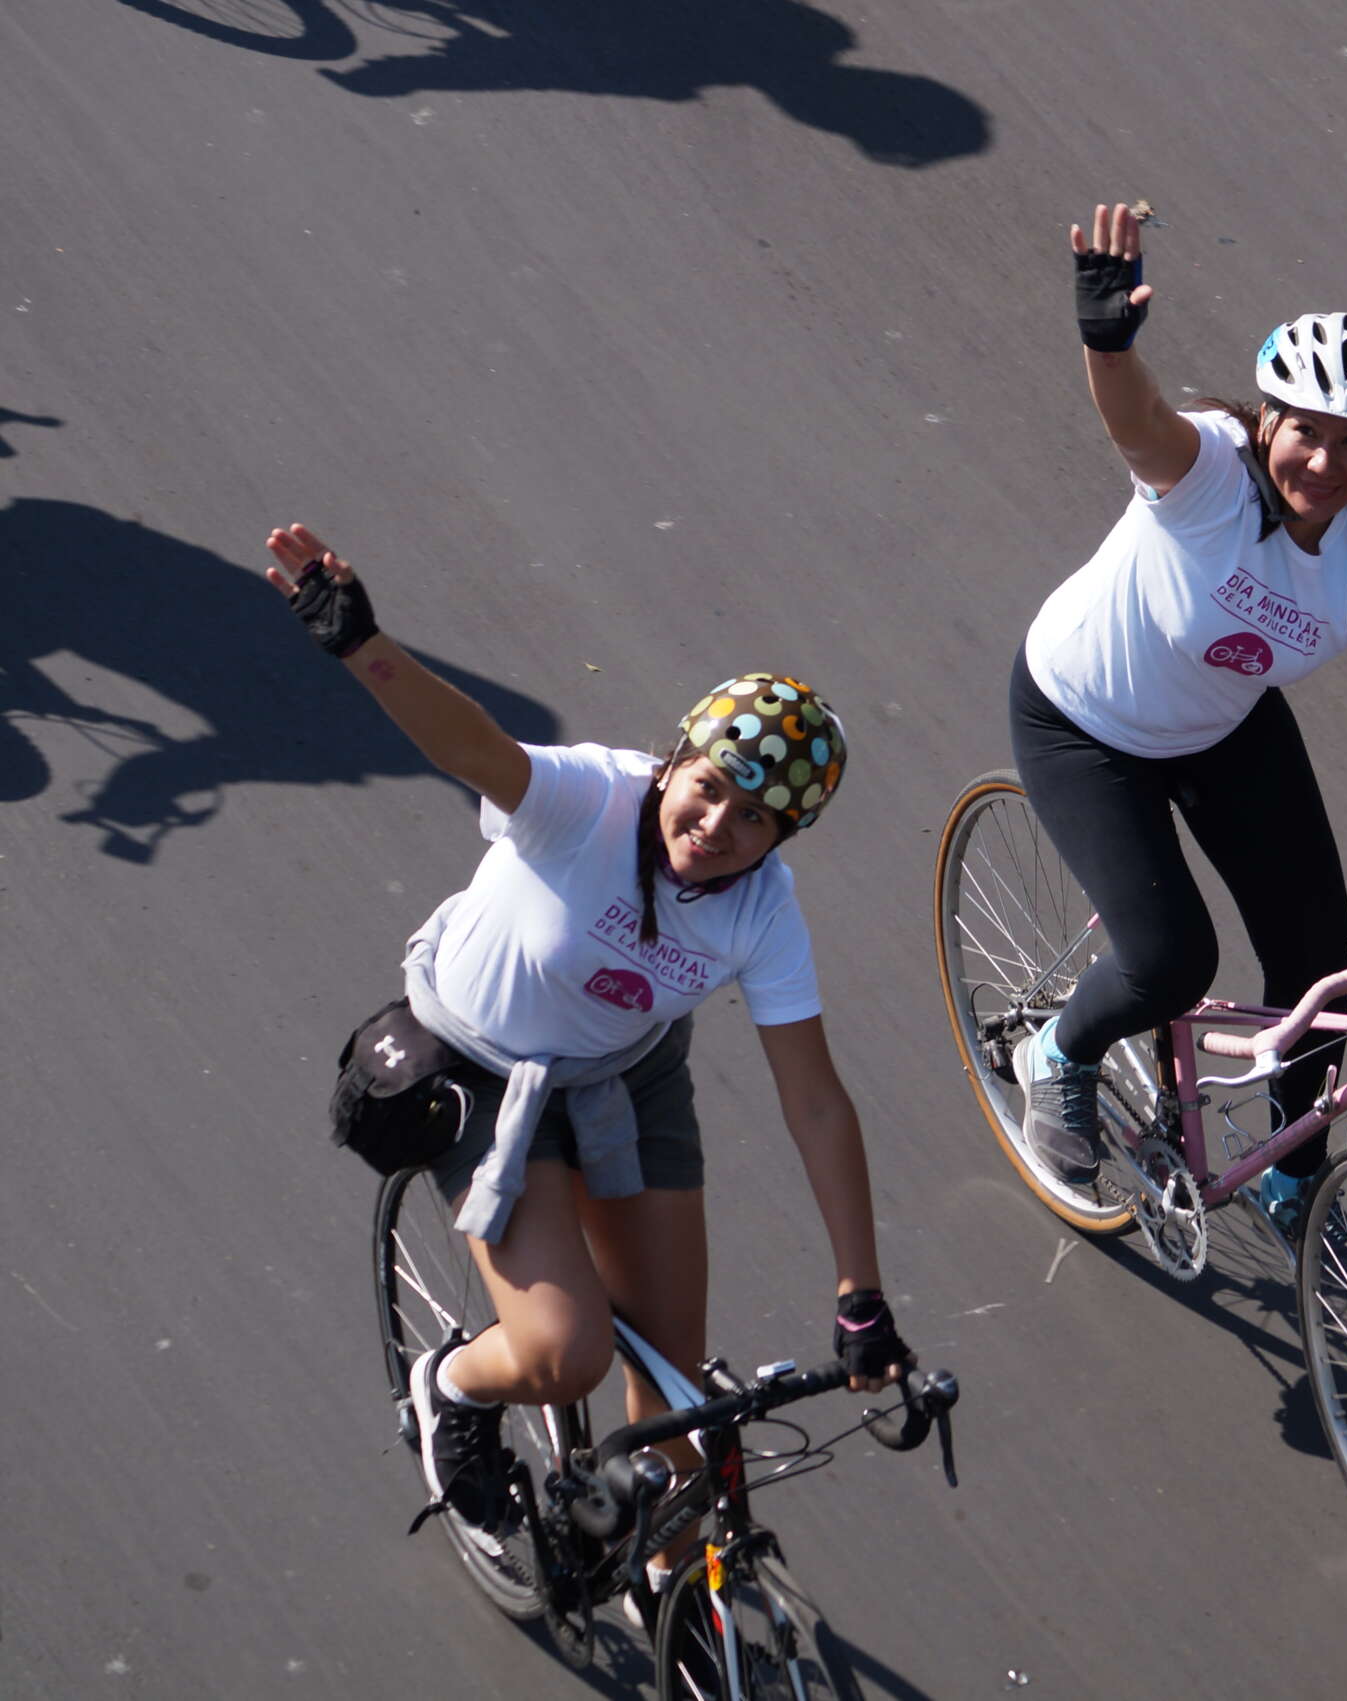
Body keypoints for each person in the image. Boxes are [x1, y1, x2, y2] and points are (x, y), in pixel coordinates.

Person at [265, 524, 915, 1581]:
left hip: (623, 1073)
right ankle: (455, 1392)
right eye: (709, 786)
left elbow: (817, 1106)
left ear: (781, 842)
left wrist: (862, 1293)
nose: (716, 825)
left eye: (755, 819)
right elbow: (469, 744)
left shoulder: (762, 911)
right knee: (569, 1353)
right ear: (676, 758)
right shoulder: (586, 798)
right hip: (479, 1066)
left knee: (683, 1420)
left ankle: (670, 1600)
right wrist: (363, 647)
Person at [1012, 201, 1347, 1241]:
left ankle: (1291, 1170)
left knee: (1323, 967)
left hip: (1221, 726)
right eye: (1307, 432)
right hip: (1085, 721)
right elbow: (1134, 419)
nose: (1325, 464)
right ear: (1267, 423)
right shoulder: (1205, 472)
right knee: (1171, 961)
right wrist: (1107, 338)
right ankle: (1059, 1053)